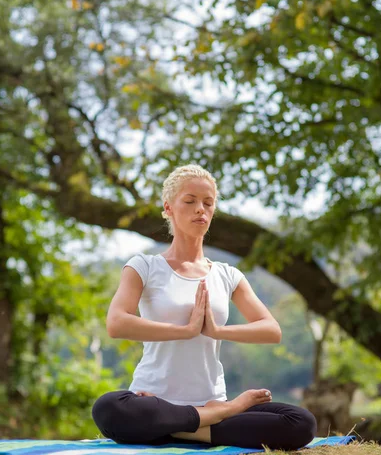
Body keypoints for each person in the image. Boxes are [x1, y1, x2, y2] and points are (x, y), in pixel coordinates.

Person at [92, 165, 317, 450]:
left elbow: (271, 330)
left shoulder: (227, 274)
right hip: (155, 402)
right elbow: (116, 323)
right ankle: (213, 417)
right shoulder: (144, 267)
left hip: (208, 399)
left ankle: (185, 427)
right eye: (190, 201)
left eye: (208, 203)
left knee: (301, 422)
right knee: (108, 408)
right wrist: (185, 330)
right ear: (169, 208)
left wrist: (216, 330)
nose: (201, 209)